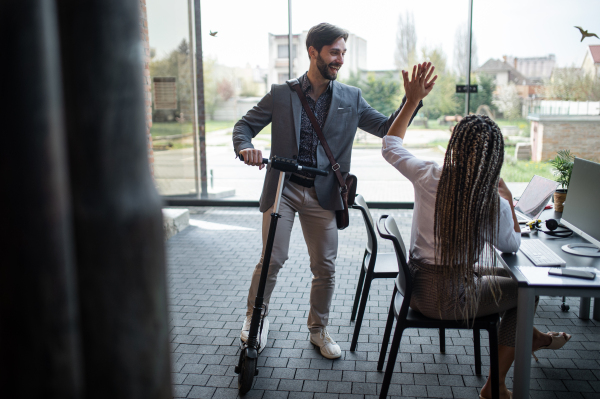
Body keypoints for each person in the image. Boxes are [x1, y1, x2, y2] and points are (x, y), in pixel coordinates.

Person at [232, 22, 423, 359]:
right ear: (313, 52)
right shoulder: (282, 94)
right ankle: (254, 318)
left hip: (323, 193)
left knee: (325, 267)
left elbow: (385, 129)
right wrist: (246, 147)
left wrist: (411, 101)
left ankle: (318, 329)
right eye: (334, 52)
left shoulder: (352, 97)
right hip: (284, 189)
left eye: (343, 53)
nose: (340, 59)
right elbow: (244, 125)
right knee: (273, 259)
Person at [381, 62, 572, 399]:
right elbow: (512, 245)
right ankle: (495, 386)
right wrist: (508, 199)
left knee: (503, 276)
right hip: (451, 299)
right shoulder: (491, 201)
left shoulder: (428, 175)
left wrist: (411, 101)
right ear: (493, 158)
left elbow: (390, 147)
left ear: (455, 144)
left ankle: (536, 338)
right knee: (526, 291)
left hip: (413, 286)